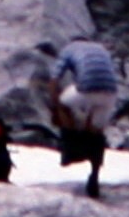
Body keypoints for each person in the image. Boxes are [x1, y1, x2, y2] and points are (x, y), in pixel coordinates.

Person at [46, 37, 120, 198]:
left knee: (63, 103)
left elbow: (54, 79)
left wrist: (54, 104)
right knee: (95, 131)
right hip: (110, 93)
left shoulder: (68, 49)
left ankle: (71, 143)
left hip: (86, 88)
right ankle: (94, 173)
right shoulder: (101, 49)